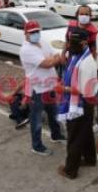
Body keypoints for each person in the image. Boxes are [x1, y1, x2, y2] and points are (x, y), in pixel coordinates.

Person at [56, 29, 98, 179]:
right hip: (85, 102)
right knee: (85, 132)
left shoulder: (86, 63)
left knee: (74, 135)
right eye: (69, 42)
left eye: (73, 43)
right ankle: (90, 159)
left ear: (84, 43)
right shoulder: (78, 55)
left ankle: (70, 170)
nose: (70, 45)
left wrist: (63, 88)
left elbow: (82, 89)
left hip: (81, 103)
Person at [19, 20, 65, 155]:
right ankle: (37, 146)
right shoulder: (26, 49)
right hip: (37, 89)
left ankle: (56, 135)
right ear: (26, 34)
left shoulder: (43, 42)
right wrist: (54, 60)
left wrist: (53, 59)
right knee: (36, 119)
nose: (35, 34)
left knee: (54, 113)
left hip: (50, 86)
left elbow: (54, 57)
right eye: (32, 32)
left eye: (37, 31)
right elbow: (47, 64)